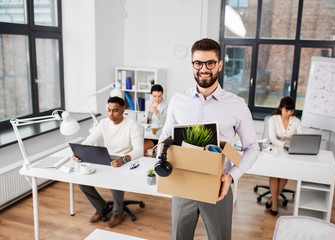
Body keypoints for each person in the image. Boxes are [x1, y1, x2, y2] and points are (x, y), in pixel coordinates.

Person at [158, 38, 259, 240]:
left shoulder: (237, 105)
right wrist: (161, 157)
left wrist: (231, 176)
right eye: (198, 63)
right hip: (182, 183)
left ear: (220, 65)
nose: (204, 69)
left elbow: (252, 147)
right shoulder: (178, 101)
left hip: (218, 187)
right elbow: (165, 135)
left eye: (210, 63)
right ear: (192, 65)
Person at [73, 96, 143, 228]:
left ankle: (118, 211)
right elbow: (90, 140)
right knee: (82, 181)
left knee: (114, 179)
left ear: (123, 110)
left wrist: (123, 159)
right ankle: (101, 207)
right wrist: (79, 152)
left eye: (115, 110)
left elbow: (139, 150)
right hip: (106, 158)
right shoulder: (104, 123)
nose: (111, 114)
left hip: (124, 159)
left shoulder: (131, 124)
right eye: (109, 110)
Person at [266, 96, 302, 215]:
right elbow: (273, 139)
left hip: (290, 152)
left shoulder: (296, 121)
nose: (289, 113)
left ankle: (272, 199)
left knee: (284, 175)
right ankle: (275, 204)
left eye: (291, 111)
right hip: (275, 150)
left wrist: (292, 146)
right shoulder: (273, 119)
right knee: (274, 175)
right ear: (281, 108)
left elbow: (301, 138)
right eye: (287, 110)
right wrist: (286, 144)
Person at [144, 84, 167, 155]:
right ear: (151, 95)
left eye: (159, 96)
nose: (157, 99)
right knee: (136, 146)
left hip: (157, 135)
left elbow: (164, 122)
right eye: (154, 96)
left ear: (162, 95)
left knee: (142, 148)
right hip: (147, 132)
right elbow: (147, 120)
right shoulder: (148, 103)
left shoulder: (166, 105)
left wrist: (157, 112)